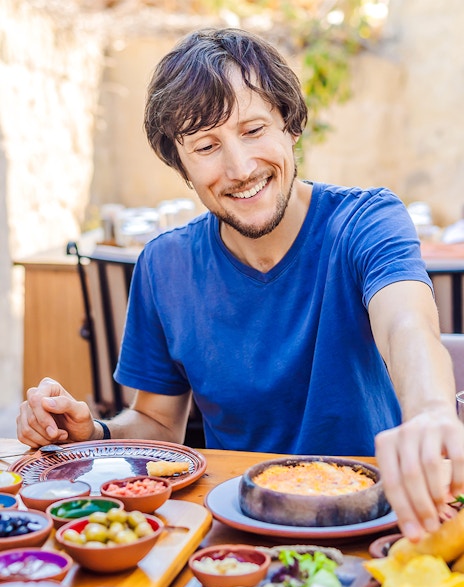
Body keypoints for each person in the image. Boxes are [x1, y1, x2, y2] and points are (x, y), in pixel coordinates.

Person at [17, 27, 464, 542]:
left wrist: (430, 414)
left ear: (290, 126)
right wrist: (91, 435)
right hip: (235, 532)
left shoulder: (366, 221)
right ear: (180, 165)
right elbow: (159, 427)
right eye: (206, 145)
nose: (240, 168)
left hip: (378, 520)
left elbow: (407, 325)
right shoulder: (165, 265)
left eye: (254, 130)